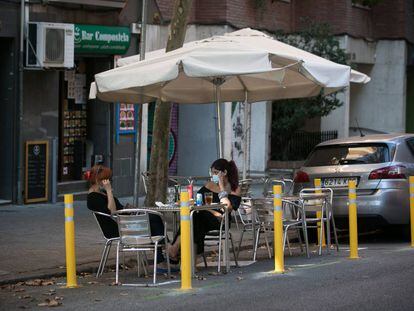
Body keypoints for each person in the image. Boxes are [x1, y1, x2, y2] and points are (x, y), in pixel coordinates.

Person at [86, 164, 166, 263]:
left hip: (124, 222)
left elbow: (117, 209)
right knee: (153, 218)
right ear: (99, 180)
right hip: (117, 228)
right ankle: (166, 250)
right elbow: (113, 212)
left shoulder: (101, 193)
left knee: (153, 218)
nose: (109, 181)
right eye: (107, 179)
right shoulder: (93, 197)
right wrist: (109, 191)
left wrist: (127, 208)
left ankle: (161, 254)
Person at [168, 158, 241, 262]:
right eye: (212, 172)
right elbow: (199, 202)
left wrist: (221, 186)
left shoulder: (234, 188)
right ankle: (190, 260)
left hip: (222, 221)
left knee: (195, 220)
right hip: (206, 216)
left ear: (224, 172)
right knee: (194, 218)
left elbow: (228, 208)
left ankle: (176, 250)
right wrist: (214, 212)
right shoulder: (209, 185)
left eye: (216, 173)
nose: (213, 176)